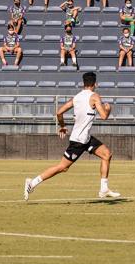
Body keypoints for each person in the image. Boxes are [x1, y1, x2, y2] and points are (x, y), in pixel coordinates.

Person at [24, 72, 120, 200]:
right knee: (62, 167)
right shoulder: (95, 96)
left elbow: (59, 112)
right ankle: (31, 183)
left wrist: (62, 126)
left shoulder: (77, 97)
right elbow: (103, 116)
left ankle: (104, 189)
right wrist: (108, 109)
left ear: (83, 83)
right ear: (95, 84)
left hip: (86, 138)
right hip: (79, 141)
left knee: (106, 154)